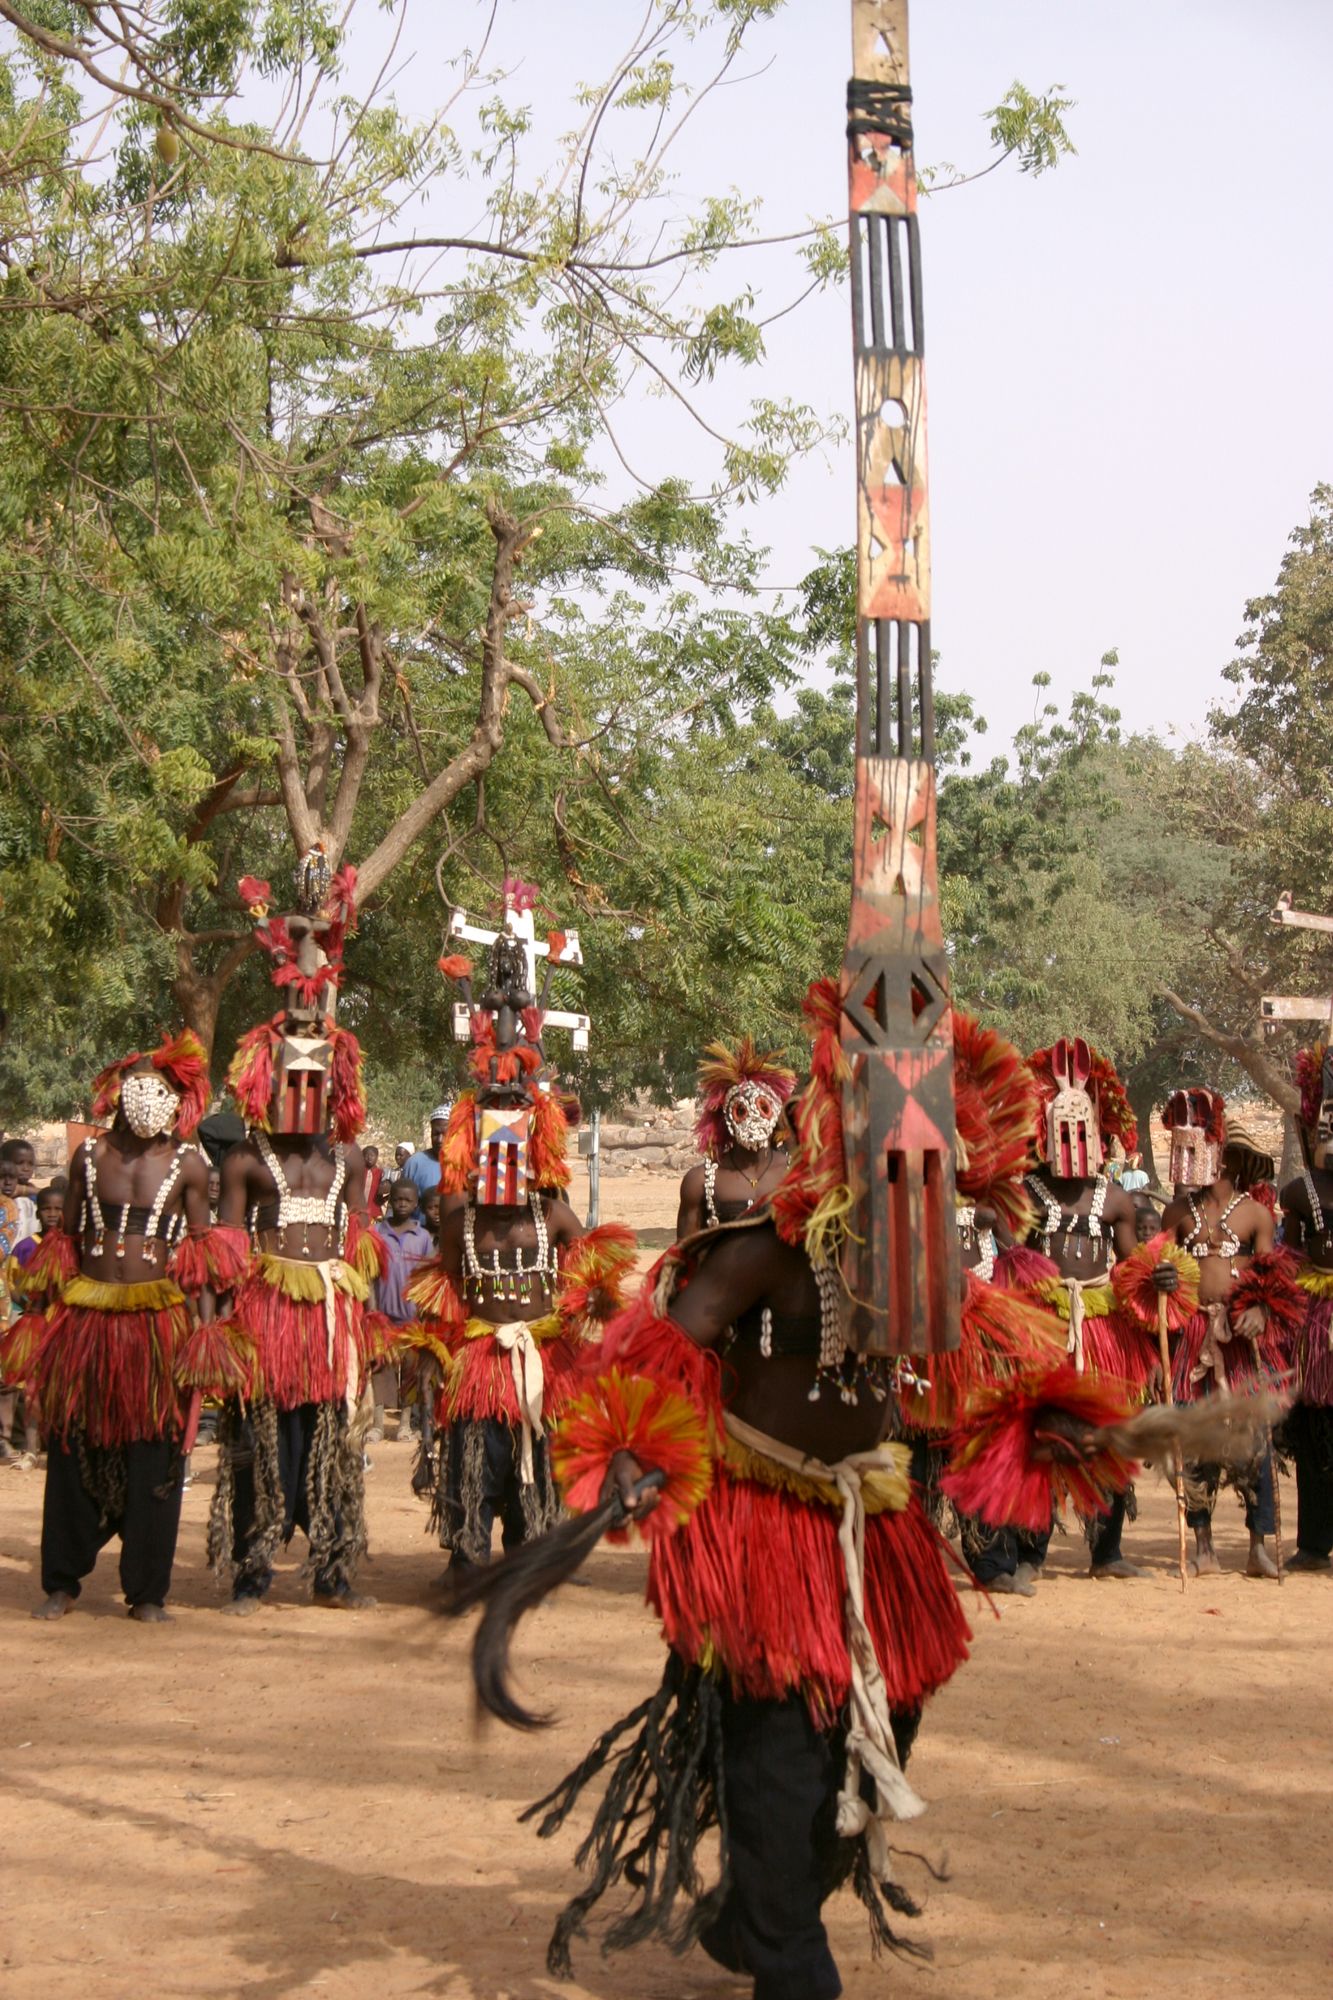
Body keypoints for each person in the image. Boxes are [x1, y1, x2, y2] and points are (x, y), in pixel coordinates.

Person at [451, 977, 1141, 1999]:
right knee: (781, 1761)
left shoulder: (925, 1261)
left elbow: (981, 1371)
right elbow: (654, 1349)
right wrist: (639, 1448)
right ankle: (785, 1956)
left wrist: (1053, 1419)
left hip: (877, 1523)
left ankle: (749, 1919)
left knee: (879, 1738)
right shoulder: (764, 1249)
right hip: (762, 1537)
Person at [407, 920, 634, 1568]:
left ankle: (528, 1555)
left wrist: (595, 1332)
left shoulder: (555, 1217)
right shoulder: (461, 1221)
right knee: (474, 1466)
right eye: (486, 1142)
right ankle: (466, 1556)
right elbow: (444, 1285)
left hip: (540, 1361)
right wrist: (430, 1359)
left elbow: (593, 1290)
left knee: (534, 1469)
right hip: (481, 1362)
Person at [205, 861, 388, 1614]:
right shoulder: (247, 1159)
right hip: (267, 1318)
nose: (302, 1097)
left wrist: (366, 1322)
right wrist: (217, 1325)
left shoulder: (347, 1159)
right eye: (290, 1080)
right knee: (260, 1444)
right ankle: (253, 1570)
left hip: (332, 1319)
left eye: (315, 1083)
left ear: (334, 1088)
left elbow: (361, 1245)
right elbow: (225, 1244)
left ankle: (333, 1570)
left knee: (334, 1445)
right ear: (266, 1082)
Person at [7, 1033, 224, 1621]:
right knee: (75, 1443)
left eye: (162, 1090)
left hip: (159, 1325)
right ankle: (62, 1580)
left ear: (177, 1099)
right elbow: (66, 1241)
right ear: (122, 1092)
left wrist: (204, 1339)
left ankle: (148, 1590)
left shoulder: (190, 1165)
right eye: (141, 1087)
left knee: (154, 1452)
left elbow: (203, 1259)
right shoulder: (87, 1156)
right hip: (88, 1320)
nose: (149, 1100)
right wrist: (43, 1319)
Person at [993, 1036, 1159, 1580]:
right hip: (1045, 1327)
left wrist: (1160, 1280)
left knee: (1109, 1433)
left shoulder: (1115, 1200)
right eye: (1062, 1125)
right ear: (1043, 1129)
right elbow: (1009, 1257)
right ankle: (1031, 1553)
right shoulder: (1026, 1193)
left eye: (1082, 1126)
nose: (1073, 1135)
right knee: (1044, 1435)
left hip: (1103, 1329)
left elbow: (1131, 1267)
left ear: (1099, 1130)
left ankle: (1106, 1550)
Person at [1114, 1095, 1299, 1578]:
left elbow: (1275, 1279)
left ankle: (1259, 1546)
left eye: (1202, 1149)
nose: (1191, 1160)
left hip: (1242, 1340)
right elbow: (1149, 1268)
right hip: (1192, 1336)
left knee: (1253, 1437)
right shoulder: (1178, 1212)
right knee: (1195, 1439)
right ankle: (1203, 1545)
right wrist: (1161, 1282)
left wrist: (1260, 1307)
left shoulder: (1256, 1216)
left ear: (1228, 1157)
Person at [1278, 1041, 1333, 1573]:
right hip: (1317, 1330)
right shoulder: (1299, 1194)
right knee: (1317, 1431)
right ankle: (1314, 1542)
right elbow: (1288, 1261)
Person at [675, 1040, 795, 1237]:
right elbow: (684, 1259)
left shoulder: (797, 1173)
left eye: (762, 1107)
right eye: (741, 1111)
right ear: (726, 1118)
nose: (752, 1118)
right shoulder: (700, 1182)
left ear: (774, 1113)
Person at [0, 1184, 64, 1467]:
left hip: (62, 1325)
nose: (52, 1214)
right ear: (37, 1212)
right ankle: (30, 1448)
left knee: (59, 1386)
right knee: (30, 1389)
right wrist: (27, 1302)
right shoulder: (26, 1247)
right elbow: (12, 1282)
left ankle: (58, 1447)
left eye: (58, 1209)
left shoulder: (71, 1247)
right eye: (47, 1209)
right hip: (34, 1324)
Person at [372, 1179, 435, 1440]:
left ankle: (405, 1425)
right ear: (389, 1201)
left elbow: (428, 1277)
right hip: (383, 1314)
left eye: (407, 1201)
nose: (401, 1204)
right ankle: (376, 1425)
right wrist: (372, 1309)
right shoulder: (376, 1234)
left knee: (410, 1372)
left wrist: (423, 1309)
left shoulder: (422, 1238)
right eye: (397, 1199)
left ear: (416, 1204)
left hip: (412, 1316)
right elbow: (369, 1274)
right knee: (380, 1369)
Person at [399, 1112, 448, 1211]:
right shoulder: (414, 1163)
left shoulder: (464, 1166)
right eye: (436, 1134)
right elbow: (399, 1202)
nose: (439, 1140)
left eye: (445, 1134)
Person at [363, 1143, 385, 1217]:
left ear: (377, 1157)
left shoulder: (381, 1174)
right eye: (366, 1155)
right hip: (358, 1210)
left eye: (372, 1155)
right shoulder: (359, 1172)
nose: (369, 1158)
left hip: (373, 1212)